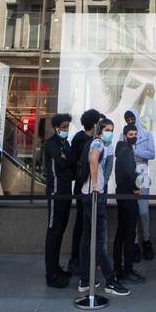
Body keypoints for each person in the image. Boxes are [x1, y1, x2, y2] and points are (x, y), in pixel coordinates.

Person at [79, 118, 130, 296]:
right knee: (99, 241)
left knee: (86, 239)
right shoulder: (98, 143)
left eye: (112, 129)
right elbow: (93, 160)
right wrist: (96, 185)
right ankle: (110, 280)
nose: (110, 132)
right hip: (94, 196)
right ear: (100, 130)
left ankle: (85, 279)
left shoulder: (95, 142)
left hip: (87, 194)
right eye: (108, 129)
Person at [42, 112, 75, 288]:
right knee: (53, 231)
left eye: (67, 127)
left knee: (61, 229)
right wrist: (67, 159)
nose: (66, 130)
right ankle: (50, 273)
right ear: (56, 128)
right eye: (63, 127)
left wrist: (67, 158)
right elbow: (63, 162)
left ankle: (56, 267)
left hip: (66, 191)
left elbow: (71, 160)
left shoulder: (66, 143)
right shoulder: (51, 143)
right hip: (56, 192)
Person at [113, 119, 145, 284]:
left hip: (123, 194)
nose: (133, 137)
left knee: (122, 232)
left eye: (135, 135)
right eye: (131, 134)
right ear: (125, 136)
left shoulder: (123, 150)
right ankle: (127, 269)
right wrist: (136, 185)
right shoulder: (126, 150)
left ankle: (119, 268)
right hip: (127, 195)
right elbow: (128, 173)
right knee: (128, 233)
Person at [68, 109, 98, 274]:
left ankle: (80, 258)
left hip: (82, 185)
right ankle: (77, 259)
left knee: (83, 222)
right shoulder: (86, 141)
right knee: (82, 222)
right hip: (84, 185)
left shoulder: (79, 139)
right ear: (94, 124)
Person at [125, 110, 154, 261]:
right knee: (132, 212)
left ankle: (147, 241)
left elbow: (152, 154)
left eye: (132, 117)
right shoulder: (123, 135)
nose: (130, 120)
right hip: (129, 175)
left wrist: (136, 150)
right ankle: (135, 243)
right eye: (127, 118)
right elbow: (120, 154)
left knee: (143, 211)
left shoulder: (147, 134)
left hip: (143, 175)